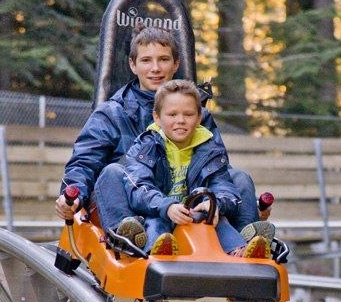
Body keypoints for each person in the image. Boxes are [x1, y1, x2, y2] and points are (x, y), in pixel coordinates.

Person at [55, 26, 272, 239]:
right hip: (135, 199)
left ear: (175, 63)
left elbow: (216, 169)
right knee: (112, 171)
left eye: (164, 59)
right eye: (147, 60)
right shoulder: (111, 113)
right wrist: (73, 194)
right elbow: (84, 163)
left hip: (187, 201)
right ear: (133, 64)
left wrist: (243, 203)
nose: (156, 68)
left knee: (240, 178)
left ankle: (248, 244)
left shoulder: (200, 116)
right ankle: (129, 238)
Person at [94, 79, 269, 257]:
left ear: (199, 117)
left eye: (188, 114)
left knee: (220, 219)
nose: (180, 121)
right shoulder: (144, 147)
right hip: (159, 212)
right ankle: (155, 249)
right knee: (155, 223)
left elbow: (222, 183)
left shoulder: (210, 147)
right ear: (157, 117)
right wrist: (166, 206)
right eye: (172, 115)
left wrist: (216, 204)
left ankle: (241, 250)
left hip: (195, 214)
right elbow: (139, 186)